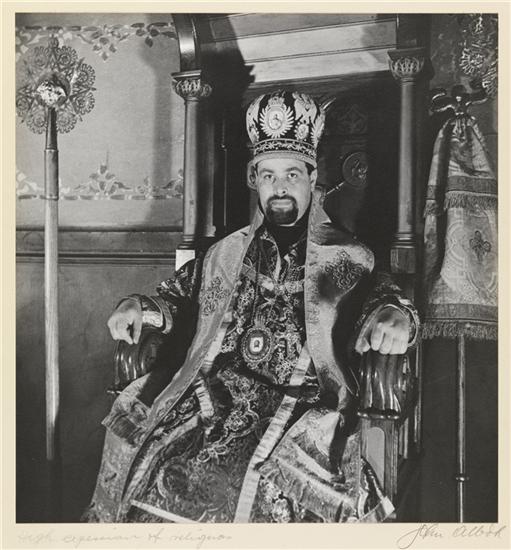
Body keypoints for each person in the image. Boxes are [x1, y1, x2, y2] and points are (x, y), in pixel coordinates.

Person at [84, 90, 418, 523]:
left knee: (250, 483)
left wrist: (396, 315)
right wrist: (135, 305)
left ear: (312, 178)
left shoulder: (348, 257)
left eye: (292, 174)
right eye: (268, 175)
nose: (279, 187)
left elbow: (385, 301)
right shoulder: (224, 254)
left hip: (300, 404)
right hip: (212, 395)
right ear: (254, 180)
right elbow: (176, 298)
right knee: (148, 458)